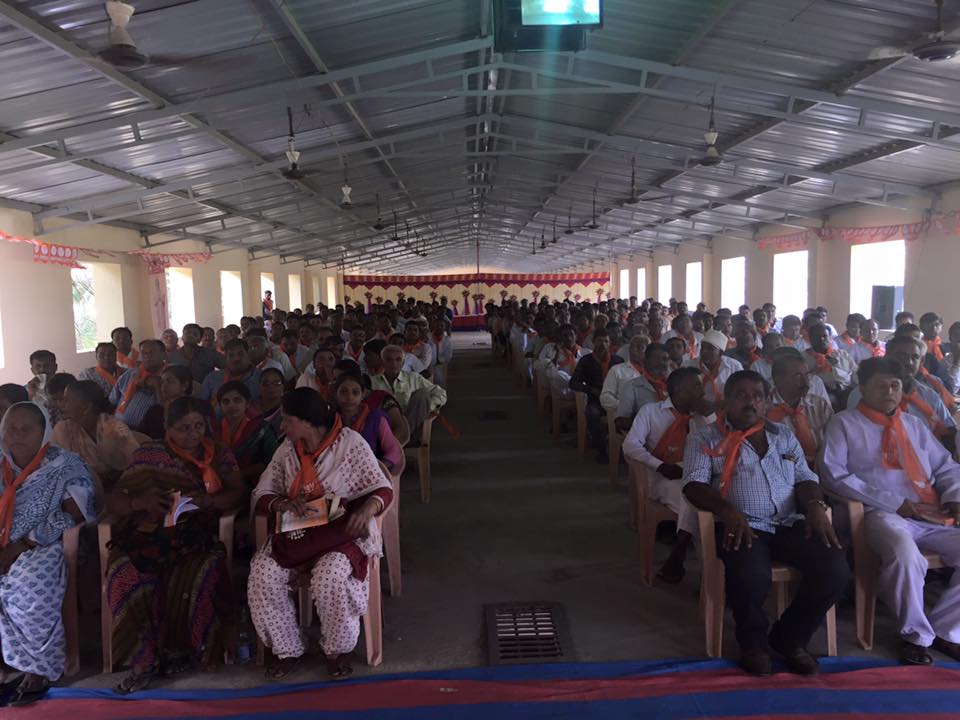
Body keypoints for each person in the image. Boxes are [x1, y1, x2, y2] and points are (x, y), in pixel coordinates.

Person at [683, 371, 849, 677]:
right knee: (751, 576)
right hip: (741, 525)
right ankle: (753, 645)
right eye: (741, 395)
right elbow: (693, 484)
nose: (751, 402)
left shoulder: (782, 434)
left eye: (757, 396)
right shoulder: (704, 437)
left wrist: (815, 505)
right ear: (726, 401)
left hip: (788, 522)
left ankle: (790, 638)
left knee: (835, 569)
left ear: (765, 401)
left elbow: (805, 477)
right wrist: (728, 512)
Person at [821, 357, 960, 666]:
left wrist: (954, 496)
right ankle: (915, 636)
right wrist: (892, 502)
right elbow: (834, 475)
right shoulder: (844, 423)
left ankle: (947, 630)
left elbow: (946, 466)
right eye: (880, 386)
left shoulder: (913, 425)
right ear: (862, 389)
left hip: (930, 511)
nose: (889, 392)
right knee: (903, 553)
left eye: (895, 386)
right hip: (882, 513)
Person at [247, 389, 393, 679]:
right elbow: (263, 491)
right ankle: (288, 648)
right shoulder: (287, 450)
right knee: (262, 573)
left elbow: (382, 488)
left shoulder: (349, 444)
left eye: (288, 420)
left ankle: (338, 650)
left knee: (331, 575)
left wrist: (367, 510)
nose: (282, 426)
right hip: (298, 534)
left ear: (308, 422)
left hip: (341, 534)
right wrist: (282, 503)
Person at [105, 397, 244, 694]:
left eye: (198, 426)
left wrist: (210, 501)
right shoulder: (149, 454)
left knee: (199, 571)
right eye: (183, 428)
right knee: (123, 571)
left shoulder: (218, 453)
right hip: (148, 533)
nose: (192, 434)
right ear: (167, 427)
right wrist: (139, 502)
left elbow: (237, 492)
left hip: (195, 534)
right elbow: (114, 499)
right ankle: (142, 660)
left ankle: (183, 651)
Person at [0, 402, 96, 705]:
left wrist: (21, 546)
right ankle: (5, 665)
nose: (17, 435)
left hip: (43, 545)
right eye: (11, 429)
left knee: (31, 587)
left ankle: (37, 668)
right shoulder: (0, 464)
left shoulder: (64, 465)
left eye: (26, 429)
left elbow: (75, 513)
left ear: (43, 432)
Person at [622, 367, 712, 583]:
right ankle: (708, 578)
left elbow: (717, 448)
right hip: (662, 477)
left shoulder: (702, 416)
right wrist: (660, 466)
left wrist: (709, 416)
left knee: (705, 497)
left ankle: (681, 554)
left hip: (698, 475)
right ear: (680, 390)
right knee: (695, 501)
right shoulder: (651, 412)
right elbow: (630, 445)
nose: (702, 391)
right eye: (697, 386)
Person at [848, 336, 957, 455]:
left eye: (914, 357)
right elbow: (857, 436)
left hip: (931, 457)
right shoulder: (864, 393)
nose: (909, 362)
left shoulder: (929, 395)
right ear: (887, 357)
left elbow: (949, 429)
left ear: (921, 362)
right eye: (902, 356)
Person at [51, 380, 140, 494]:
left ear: (86, 407)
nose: (62, 404)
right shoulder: (64, 429)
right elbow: (57, 468)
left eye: (67, 400)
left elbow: (136, 466)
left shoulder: (114, 429)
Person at [767, 354, 834, 466]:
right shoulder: (765, 410)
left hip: (823, 466)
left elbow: (834, 444)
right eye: (797, 376)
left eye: (806, 374)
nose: (805, 381)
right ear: (778, 380)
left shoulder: (819, 405)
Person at [570, 328, 623, 463]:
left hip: (615, 398)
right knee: (592, 413)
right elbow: (573, 383)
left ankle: (622, 450)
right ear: (593, 342)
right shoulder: (586, 361)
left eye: (606, 341)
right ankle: (601, 450)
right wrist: (591, 390)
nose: (603, 344)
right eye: (599, 341)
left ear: (610, 343)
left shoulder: (617, 360)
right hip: (596, 400)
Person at [333, 373, 404, 475]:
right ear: (336, 394)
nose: (349, 397)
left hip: (371, 474)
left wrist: (375, 469)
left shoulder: (375, 418)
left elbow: (394, 451)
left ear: (363, 395)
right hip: (338, 475)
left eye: (355, 392)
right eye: (344, 392)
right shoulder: (330, 420)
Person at [214, 381, 280, 488]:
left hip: (254, 485)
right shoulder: (213, 429)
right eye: (226, 402)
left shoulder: (261, 429)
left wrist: (241, 473)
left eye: (237, 400)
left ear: (247, 403)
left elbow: (274, 460)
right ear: (220, 406)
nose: (231, 405)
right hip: (217, 483)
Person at [371, 345, 447, 436]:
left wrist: (426, 407)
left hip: (410, 424)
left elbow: (441, 394)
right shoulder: (372, 382)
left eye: (398, 360)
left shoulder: (414, 378)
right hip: (383, 425)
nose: (394, 363)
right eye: (389, 360)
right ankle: (395, 439)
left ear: (403, 363)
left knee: (422, 394)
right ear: (382, 362)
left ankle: (399, 437)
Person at [110, 339, 167, 432]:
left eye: (152, 352)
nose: (147, 356)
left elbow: (167, 412)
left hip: (145, 433)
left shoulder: (169, 378)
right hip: (118, 426)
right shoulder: (130, 374)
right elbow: (112, 400)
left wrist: (157, 387)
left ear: (163, 354)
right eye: (144, 353)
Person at [615, 343, 671, 433]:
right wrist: (648, 420)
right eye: (656, 358)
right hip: (646, 437)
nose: (661, 363)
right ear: (645, 361)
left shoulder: (675, 385)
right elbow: (620, 422)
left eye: (665, 359)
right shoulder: (632, 386)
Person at [803, 323, 856, 409]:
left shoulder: (843, 355)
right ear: (810, 338)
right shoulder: (804, 358)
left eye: (825, 336)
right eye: (817, 337)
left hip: (846, 390)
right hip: (822, 394)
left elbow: (855, 374)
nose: (822, 339)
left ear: (830, 338)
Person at [686, 330, 743, 407]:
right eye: (702, 347)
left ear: (721, 353)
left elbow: (741, 391)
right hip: (697, 408)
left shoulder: (734, 366)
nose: (704, 351)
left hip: (727, 408)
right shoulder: (689, 365)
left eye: (710, 348)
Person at [200, 338, 262, 405]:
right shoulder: (212, 377)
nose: (236, 358)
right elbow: (200, 403)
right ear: (225, 358)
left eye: (240, 354)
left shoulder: (260, 377)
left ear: (248, 355)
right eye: (231, 355)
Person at [600, 335, 649, 413]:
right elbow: (605, 398)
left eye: (639, 347)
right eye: (632, 347)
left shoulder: (654, 372)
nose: (634, 350)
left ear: (648, 351)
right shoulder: (616, 370)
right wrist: (626, 406)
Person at [256, 367, 286, 439]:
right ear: (259, 387)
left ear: (283, 387)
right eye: (265, 383)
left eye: (277, 383)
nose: (271, 386)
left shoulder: (287, 412)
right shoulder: (250, 409)